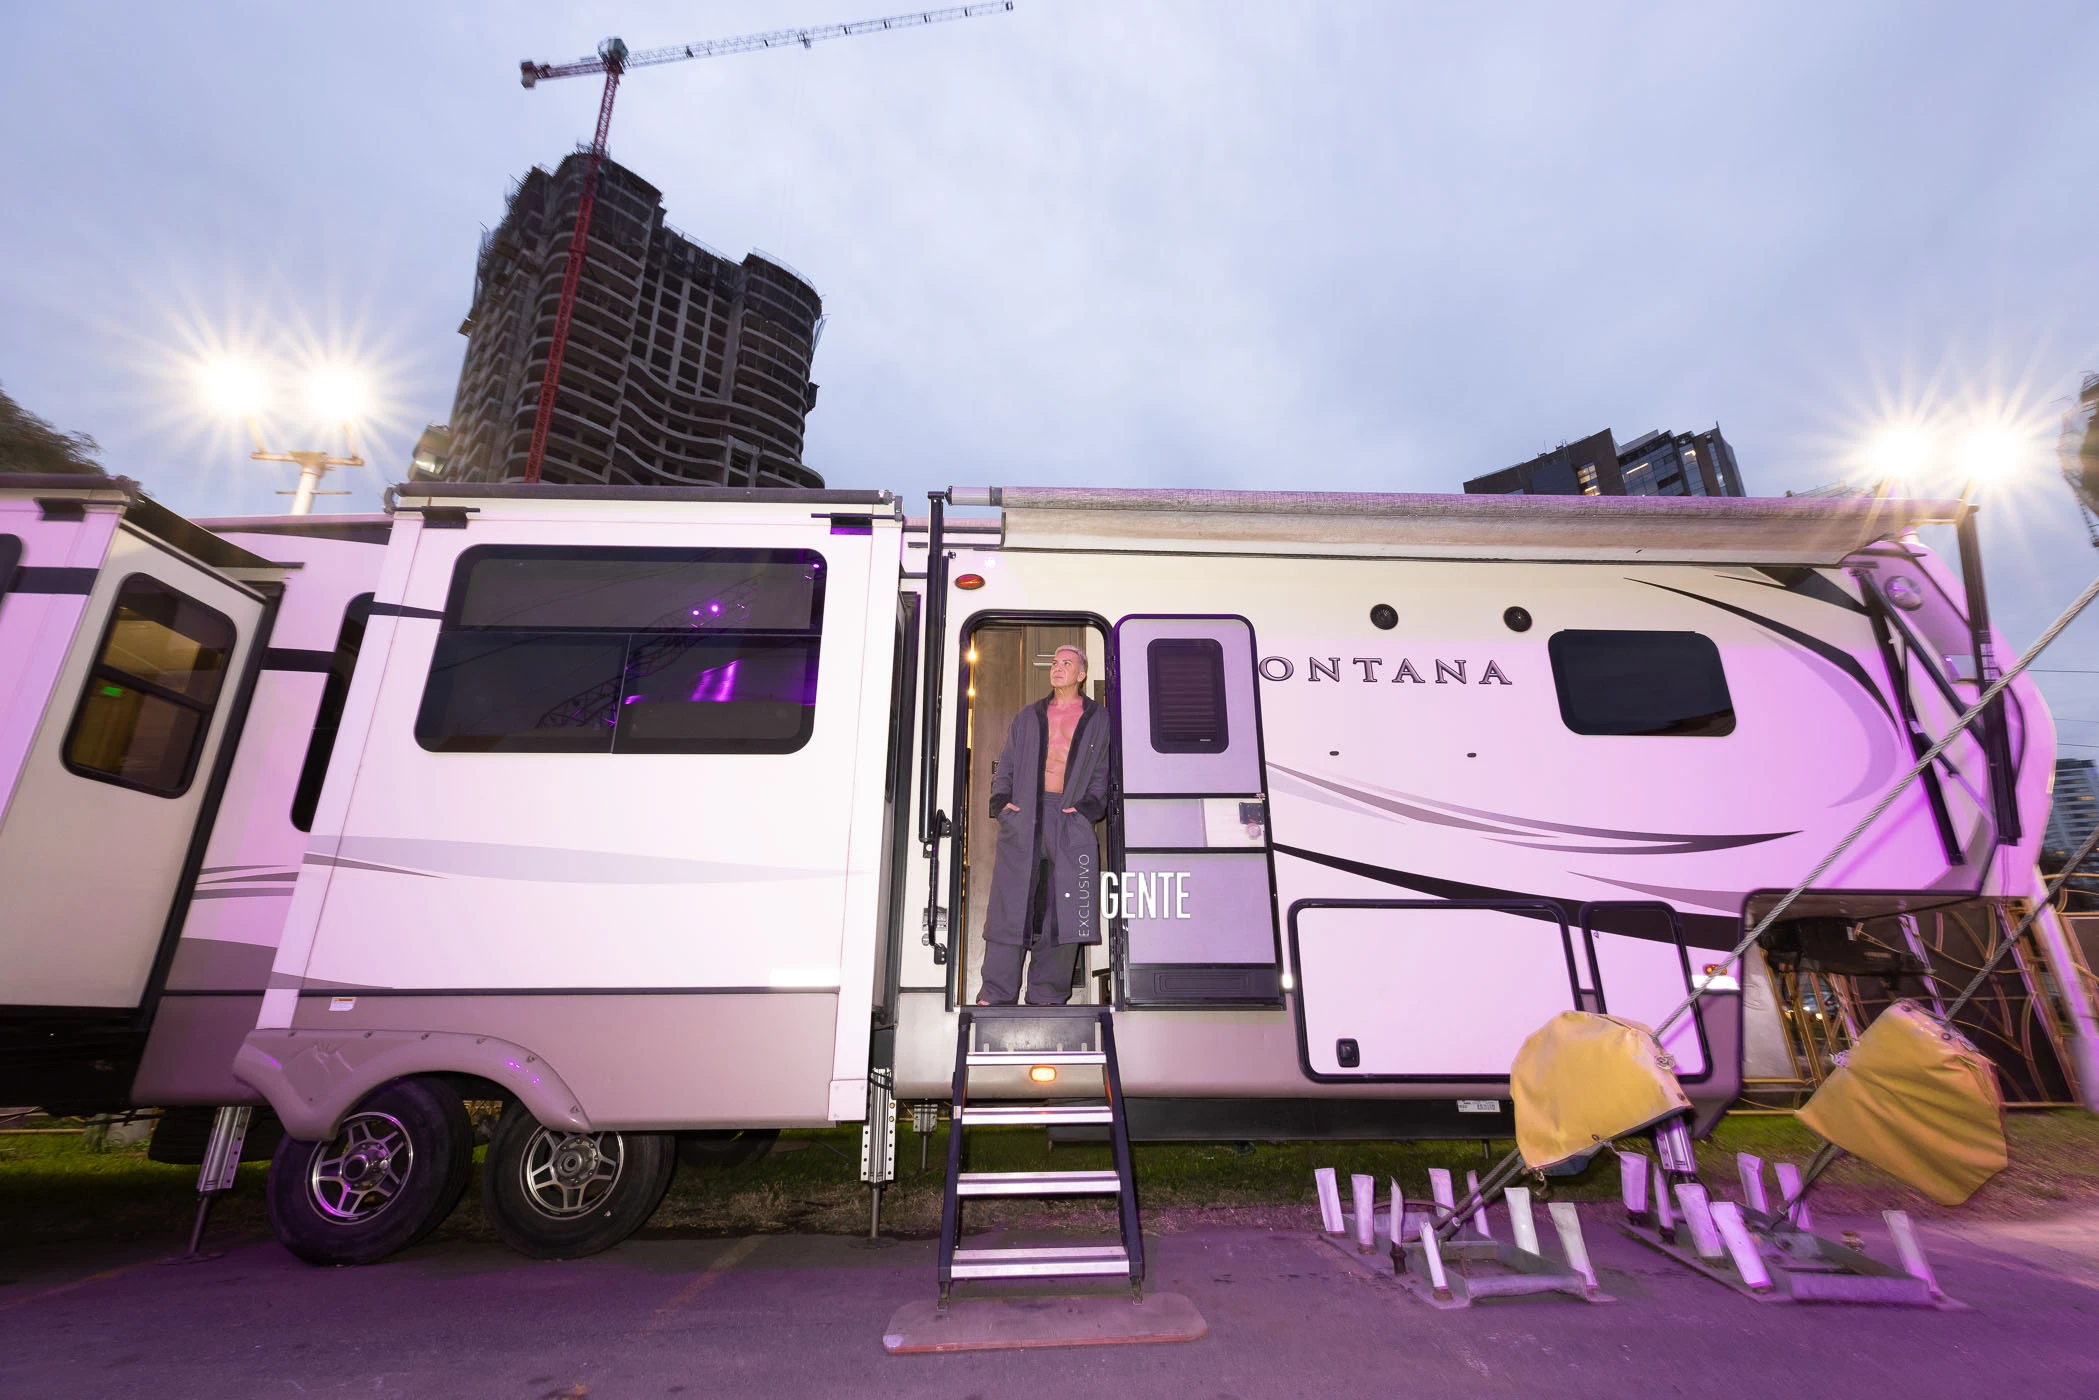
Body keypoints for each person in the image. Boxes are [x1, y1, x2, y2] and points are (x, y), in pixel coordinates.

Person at [979, 643, 1111, 1005]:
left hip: (1070, 817)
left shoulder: (1097, 719)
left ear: (1081, 674)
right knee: (1011, 900)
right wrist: (1002, 803)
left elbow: (1102, 770)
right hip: (1025, 813)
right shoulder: (1028, 716)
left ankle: (1047, 994)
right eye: (1054, 662)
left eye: (1067, 663)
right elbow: (1005, 763)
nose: (1058, 667)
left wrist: (1087, 808)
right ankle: (997, 991)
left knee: (1066, 904)